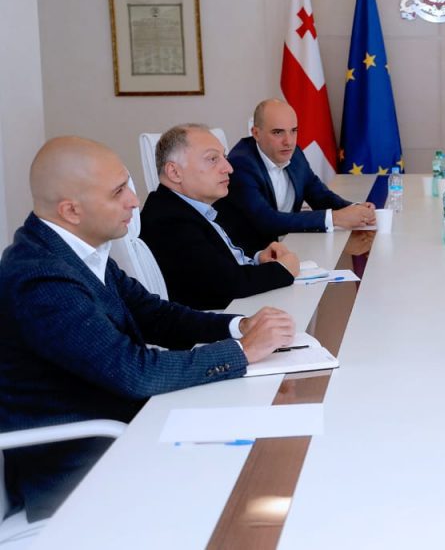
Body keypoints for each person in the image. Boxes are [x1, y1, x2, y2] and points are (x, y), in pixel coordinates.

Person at [0, 136, 296, 521]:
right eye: (117, 192)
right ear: (71, 210)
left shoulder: (78, 251)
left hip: (130, 424)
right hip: (82, 466)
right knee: (259, 480)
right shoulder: (40, 279)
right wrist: (242, 352)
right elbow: (133, 372)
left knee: (271, 449)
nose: (134, 201)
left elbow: (156, 316)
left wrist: (239, 326)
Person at [140, 123, 299, 310]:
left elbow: (218, 262)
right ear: (175, 172)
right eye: (213, 159)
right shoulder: (168, 221)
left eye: (224, 157)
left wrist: (258, 258)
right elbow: (228, 286)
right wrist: (283, 269)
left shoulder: (197, 206)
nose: (229, 168)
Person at [215, 98, 375, 254]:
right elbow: (267, 221)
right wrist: (335, 218)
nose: (289, 141)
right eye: (278, 132)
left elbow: (319, 195)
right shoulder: (240, 165)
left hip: (291, 244)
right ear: (256, 133)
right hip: (251, 256)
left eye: (293, 131)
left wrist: (355, 209)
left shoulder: (294, 153)